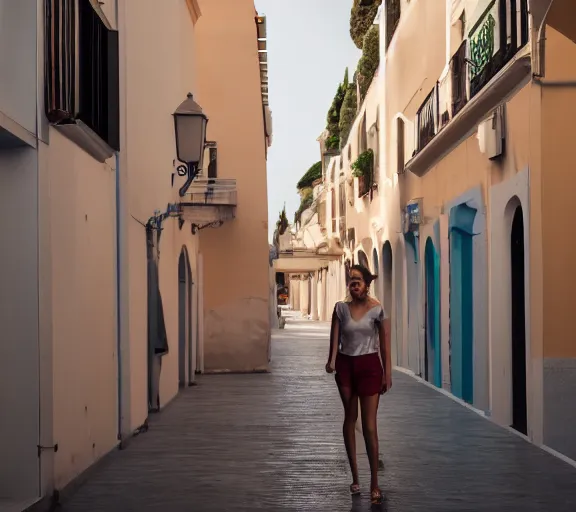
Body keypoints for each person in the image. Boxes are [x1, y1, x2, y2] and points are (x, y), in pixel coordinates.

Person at [325, 264, 392, 505]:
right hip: (345, 367)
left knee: (370, 426)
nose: (354, 284)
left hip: (370, 367)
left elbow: (384, 344)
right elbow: (335, 338)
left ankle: (374, 481)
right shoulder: (340, 309)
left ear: (366, 284)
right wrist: (331, 361)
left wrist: (388, 373)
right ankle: (355, 477)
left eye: (358, 280)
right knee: (350, 417)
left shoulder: (377, 310)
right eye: (351, 280)